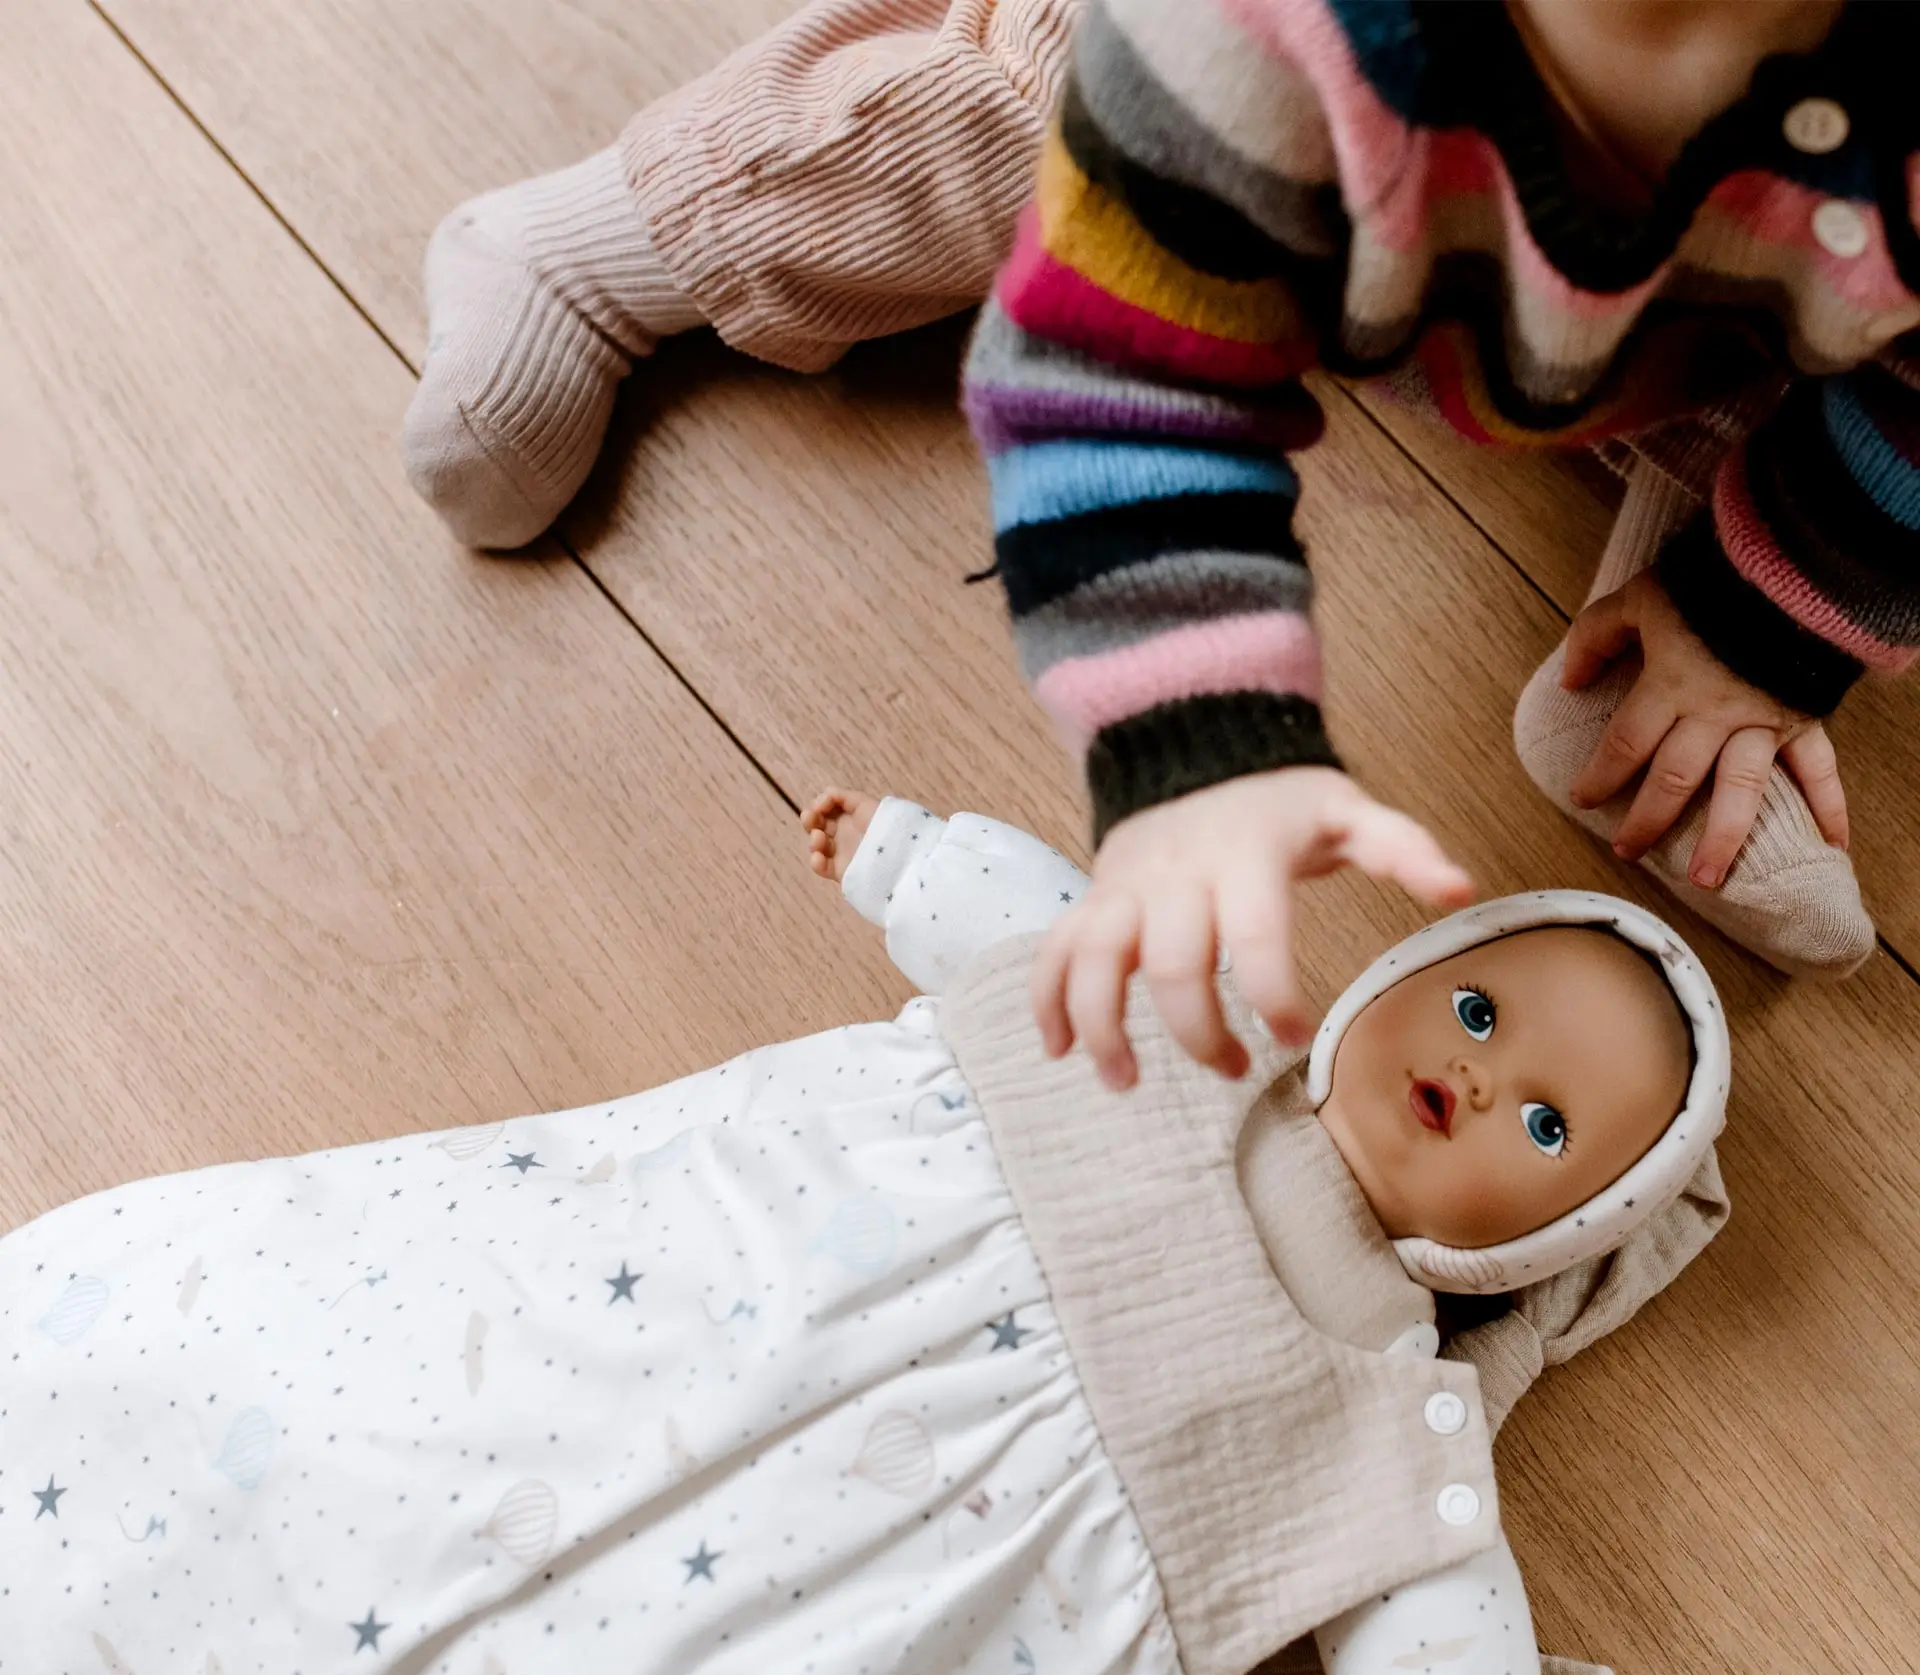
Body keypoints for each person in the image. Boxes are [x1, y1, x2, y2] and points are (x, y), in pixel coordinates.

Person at [0, 788, 1730, 1675]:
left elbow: (1430, 1596)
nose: (1489, 1077)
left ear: (1544, 1245)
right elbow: (1040, 923)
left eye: (1555, 1128)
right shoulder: (1187, 1013)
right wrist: (907, 857)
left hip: (916, 1599)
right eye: (1485, 1011)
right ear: (1405, 979)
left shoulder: (1388, 1409)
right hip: (750, 1278)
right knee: (439, 1387)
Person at [403, 0, 1916, 1022]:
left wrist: (1768, 615)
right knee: (978, 136)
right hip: (1207, 159)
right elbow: (1112, 389)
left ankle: (1673, 662)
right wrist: (1196, 739)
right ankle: (617, 241)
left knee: (1790, 361)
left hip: (1684, 305)